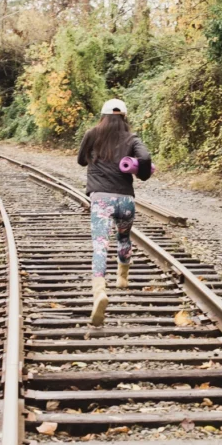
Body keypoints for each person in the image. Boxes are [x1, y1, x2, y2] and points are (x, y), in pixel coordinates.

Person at [77, 98, 153, 326]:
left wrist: (94, 158)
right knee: (124, 237)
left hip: (101, 200)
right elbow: (146, 158)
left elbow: (81, 161)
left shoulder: (92, 134)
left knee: (100, 245)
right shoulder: (132, 138)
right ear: (125, 118)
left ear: (103, 116)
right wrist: (143, 174)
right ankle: (123, 278)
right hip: (126, 200)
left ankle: (99, 291)